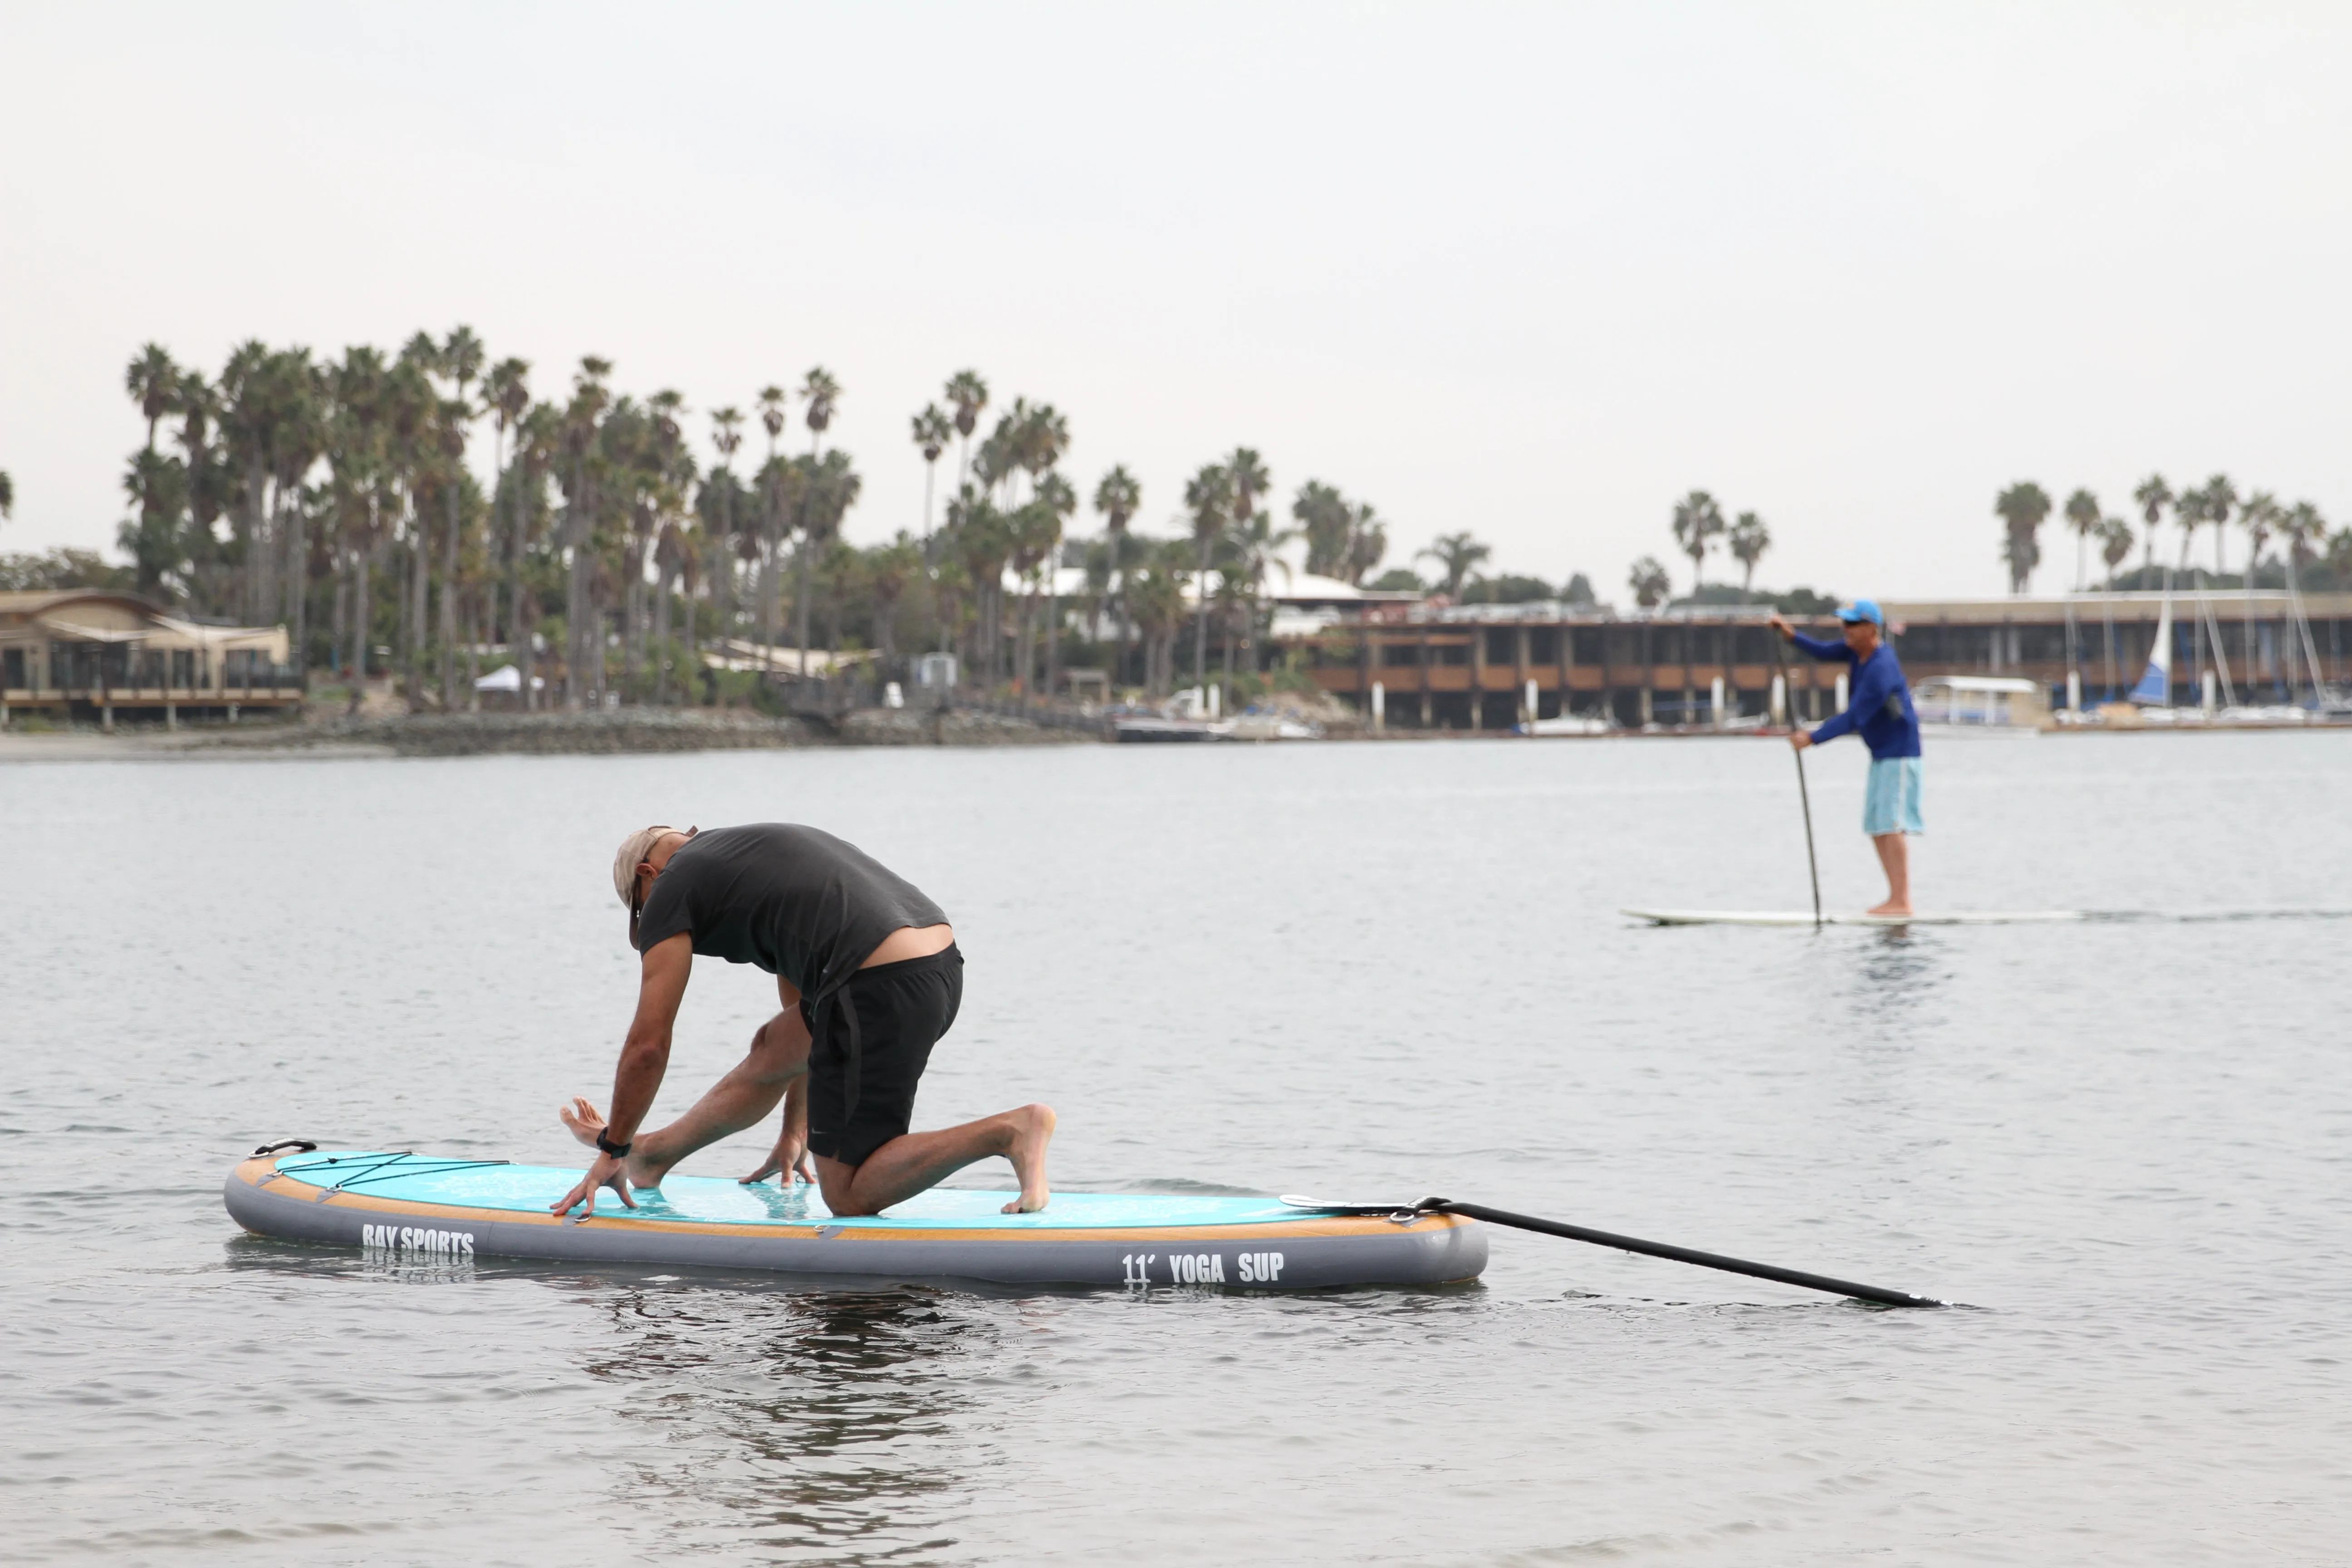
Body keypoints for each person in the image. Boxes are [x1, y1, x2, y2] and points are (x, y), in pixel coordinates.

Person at [551, 823, 1055, 1220]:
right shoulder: (745, 857)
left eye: (641, 911)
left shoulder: (671, 887)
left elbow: (648, 1045)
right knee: (774, 1046)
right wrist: (797, 1135)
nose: (653, 922)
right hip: (938, 966)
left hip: (877, 985)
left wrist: (610, 1148)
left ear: (646, 874)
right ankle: (653, 1156)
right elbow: (809, 1026)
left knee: (849, 1194)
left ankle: (1009, 1132)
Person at [1769, 601, 1923, 916]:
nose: (1846, 631)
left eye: (1852, 625)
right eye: (1845, 624)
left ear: (1871, 629)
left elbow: (1855, 717)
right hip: (1882, 754)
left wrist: (1813, 737)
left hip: (1901, 754)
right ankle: (1895, 899)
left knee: (1892, 825)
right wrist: (1791, 637)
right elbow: (1824, 652)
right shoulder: (1857, 652)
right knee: (1877, 825)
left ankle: (1902, 901)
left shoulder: (1881, 667)